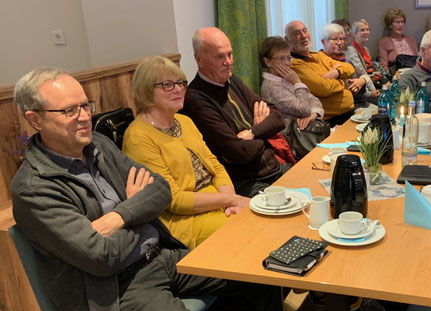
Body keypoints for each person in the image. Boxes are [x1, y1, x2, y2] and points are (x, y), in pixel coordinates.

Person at [11, 68, 281, 311]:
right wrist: (135, 207)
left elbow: (161, 190)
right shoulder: (34, 188)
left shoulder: (99, 144)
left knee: (259, 275)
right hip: (116, 287)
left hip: (163, 255)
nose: (84, 116)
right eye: (69, 110)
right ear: (35, 120)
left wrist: (120, 215)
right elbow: (101, 258)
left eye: (85, 105)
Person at [122, 56, 249, 249]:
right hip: (184, 219)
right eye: (167, 85)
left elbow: (215, 166)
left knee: (265, 213)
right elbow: (174, 200)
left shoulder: (184, 121)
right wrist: (230, 199)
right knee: (247, 228)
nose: (179, 89)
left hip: (216, 199)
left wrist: (230, 202)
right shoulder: (138, 137)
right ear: (146, 90)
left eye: (180, 83)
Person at [182, 27, 289, 198]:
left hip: (274, 169)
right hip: (245, 182)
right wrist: (261, 128)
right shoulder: (196, 100)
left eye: (230, 54)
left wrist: (252, 132)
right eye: (220, 56)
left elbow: (277, 118)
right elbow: (241, 153)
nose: (228, 62)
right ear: (199, 59)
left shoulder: (232, 81)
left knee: (320, 183)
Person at [285, 20, 357, 126]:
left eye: (305, 31)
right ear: (287, 40)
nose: (304, 36)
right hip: (330, 121)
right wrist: (343, 81)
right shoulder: (295, 65)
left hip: (349, 113)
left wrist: (337, 72)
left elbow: (350, 68)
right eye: (297, 33)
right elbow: (325, 88)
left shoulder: (318, 55)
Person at [260, 36, 323, 130]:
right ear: (268, 62)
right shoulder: (271, 86)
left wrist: (313, 115)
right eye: (281, 59)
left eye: (289, 58)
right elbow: (303, 109)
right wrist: (297, 82)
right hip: (293, 137)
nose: (286, 63)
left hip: (308, 130)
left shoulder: (284, 79)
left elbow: (314, 100)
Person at [319, 23, 378, 107]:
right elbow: (326, 86)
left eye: (341, 39)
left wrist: (362, 81)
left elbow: (364, 75)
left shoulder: (346, 57)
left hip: (358, 100)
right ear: (323, 42)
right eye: (335, 39)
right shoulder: (320, 60)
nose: (339, 43)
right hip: (339, 106)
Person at [347, 19, 389, 93]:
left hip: (375, 83)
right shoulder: (352, 51)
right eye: (362, 30)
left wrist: (385, 82)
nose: (366, 32)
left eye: (367, 29)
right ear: (354, 34)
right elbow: (363, 74)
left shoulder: (366, 49)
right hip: (365, 89)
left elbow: (372, 70)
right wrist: (375, 90)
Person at [378, 8, 418, 74]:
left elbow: (418, 60)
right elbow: (383, 65)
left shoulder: (410, 39)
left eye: (402, 22)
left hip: (414, 73)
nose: (400, 25)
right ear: (390, 25)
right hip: (397, 75)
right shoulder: (384, 42)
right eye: (396, 22)